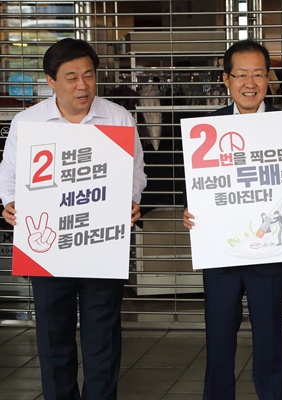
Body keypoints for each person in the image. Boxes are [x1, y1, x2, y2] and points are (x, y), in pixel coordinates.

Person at [0, 38, 146, 400]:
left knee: (103, 337)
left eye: (88, 75)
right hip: (47, 249)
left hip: (101, 245)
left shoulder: (118, 116)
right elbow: (9, 178)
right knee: (53, 336)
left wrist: (130, 199)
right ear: (50, 81)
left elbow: (137, 172)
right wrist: (11, 204)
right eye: (71, 77)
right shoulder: (27, 122)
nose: (82, 86)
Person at [182, 40, 282, 400]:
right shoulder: (205, 131)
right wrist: (189, 211)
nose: (250, 82)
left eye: (258, 74)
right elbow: (197, 189)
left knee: (271, 343)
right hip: (221, 254)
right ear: (226, 79)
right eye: (241, 74)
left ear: (269, 78)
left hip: (271, 254)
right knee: (219, 344)